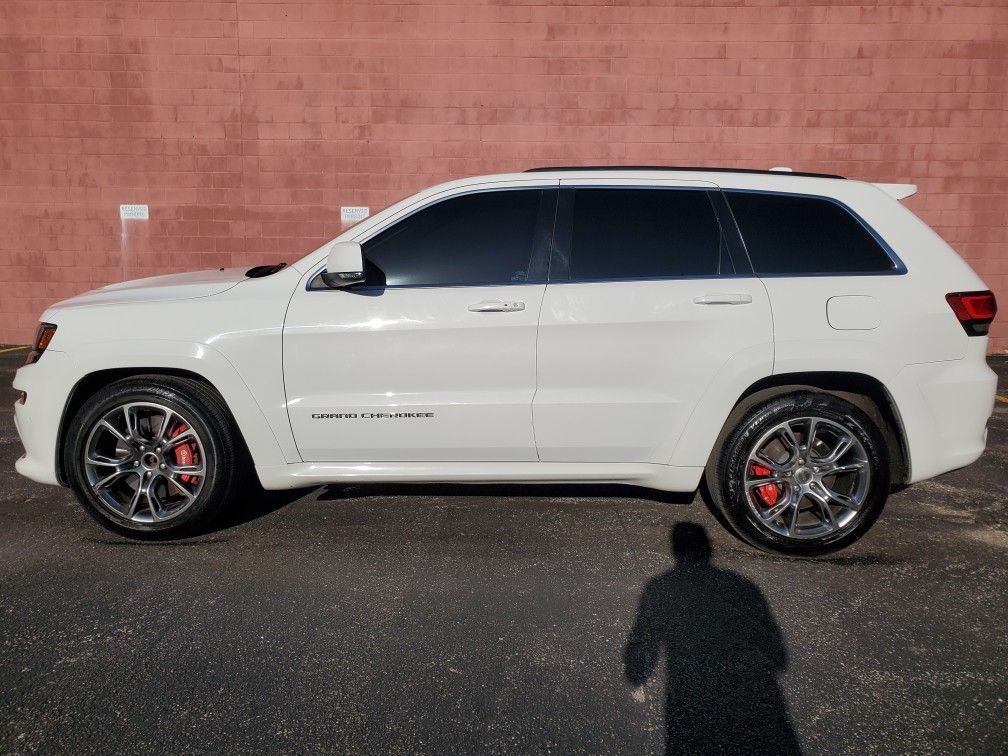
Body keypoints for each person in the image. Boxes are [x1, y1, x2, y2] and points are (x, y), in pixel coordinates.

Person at [624, 523, 801, 754]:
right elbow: (778, 657)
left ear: (677, 551)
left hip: (690, 700)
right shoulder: (742, 586)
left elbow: (644, 639)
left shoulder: (660, 587)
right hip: (746, 703)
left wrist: (638, 670)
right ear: (708, 549)